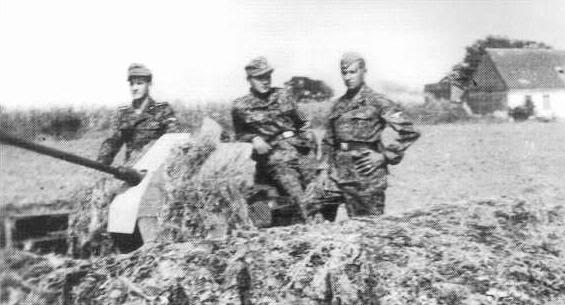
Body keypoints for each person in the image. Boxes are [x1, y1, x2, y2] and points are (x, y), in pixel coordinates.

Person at [322, 52, 420, 217]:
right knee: (311, 209)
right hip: (339, 175)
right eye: (344, 73)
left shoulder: (378, 101)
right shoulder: (338, 105)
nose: (348, 77)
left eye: (352, 72)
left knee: (368, 227)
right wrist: (323, 169)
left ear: (363, 71)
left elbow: (409, 131)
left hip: (366, 176)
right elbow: (328, 141)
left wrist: (385, 155)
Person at [231, 56, 317, 220]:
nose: (265, 81)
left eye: (267, 77)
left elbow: (303, 121)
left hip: (302, 151)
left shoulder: (284, 95)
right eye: (259, 78)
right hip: (276, 157)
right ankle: (312, 228)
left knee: (316, 193)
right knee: (299, 198)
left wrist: (309, 136)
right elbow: (239, 135)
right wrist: (253, 138)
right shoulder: (240, 106)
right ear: (249, 80)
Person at [97, 63, 180, 165]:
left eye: (139, 83)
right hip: (132, 170)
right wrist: (100, 166)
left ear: (149, 84)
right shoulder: (123, 113)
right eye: (132, 84)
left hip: (156, 168)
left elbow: (174, 138)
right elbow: (111, 143)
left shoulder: (162, 110)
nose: (134, 88)